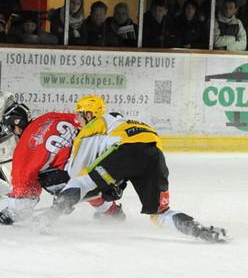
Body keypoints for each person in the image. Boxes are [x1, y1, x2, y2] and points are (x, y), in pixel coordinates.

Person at [38, 95, 227, 242]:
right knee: (159, 213)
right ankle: (198, 230)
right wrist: (116, 181)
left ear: (89, 114)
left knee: (81, 181)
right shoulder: (125, 121)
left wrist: (66, 197)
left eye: (80, 114)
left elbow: (76, 172)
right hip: (155, 154)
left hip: (126, 151)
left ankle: (49, 217)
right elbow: (135, 158)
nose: (78, 119)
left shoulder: (93, 126)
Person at [0, 102, 125, 225]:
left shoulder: (23, 150)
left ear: (16, 126)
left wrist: (11, 212)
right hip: (98, 158)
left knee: (67, 181)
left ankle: (60, 205)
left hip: (73, 173)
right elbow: (82, 122)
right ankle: (114, 212)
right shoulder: (49, 116)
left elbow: (24, 189)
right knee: (86, 182)